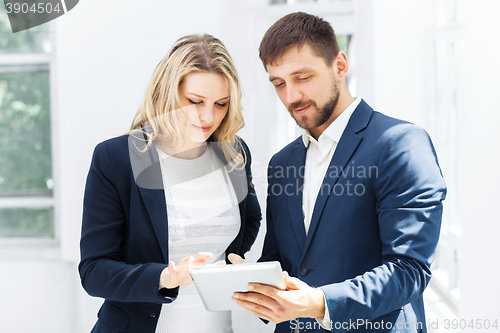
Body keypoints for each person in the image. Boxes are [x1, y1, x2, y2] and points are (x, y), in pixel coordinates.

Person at [230, 12, 446, 333]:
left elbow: (409, 269)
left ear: (340, 66)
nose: (291, 96)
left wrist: (319, 303)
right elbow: (284, 263)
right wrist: (247, 281)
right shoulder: (281, 163)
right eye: (279, 83)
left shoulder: (400, 143)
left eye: (302, 77)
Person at [79, 34, 261, 333]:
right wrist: (167, 278)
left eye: (221, 104)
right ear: (167, 93)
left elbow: (250, 218)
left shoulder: (234, 153)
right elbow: (94, 271)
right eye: (195, 101)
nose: (208, 116)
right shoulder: (116, 158)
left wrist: (226, 264)